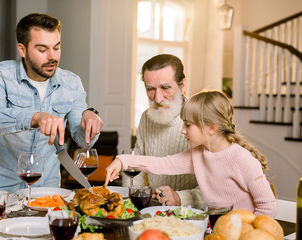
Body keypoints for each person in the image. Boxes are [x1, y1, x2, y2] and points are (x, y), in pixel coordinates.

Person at [0, 13, 103, 193]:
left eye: (56, 48)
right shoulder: (0, 74)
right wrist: (35, 118)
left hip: (45, 189)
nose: (52, 57)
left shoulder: (72, 82)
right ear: (22, 49)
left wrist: (90, 121)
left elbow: (81, 139)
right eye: (42, 50)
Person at [106, 90, 277, 217]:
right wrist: (122, 161)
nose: (182, 131)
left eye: (188, 125)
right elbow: (162, 164)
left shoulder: (241, 158)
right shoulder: (198, 155)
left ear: (211, 127)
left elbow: (267, 207)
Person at [130, 54, 203, 208]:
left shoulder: (202, 118)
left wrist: (181, 198)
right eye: (150, 89)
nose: (157, 99)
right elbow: (138, 170)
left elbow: (220, 186)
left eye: (165, 88)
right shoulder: (146, 117)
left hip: (193, 216)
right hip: (154, 210)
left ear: (183, 85)